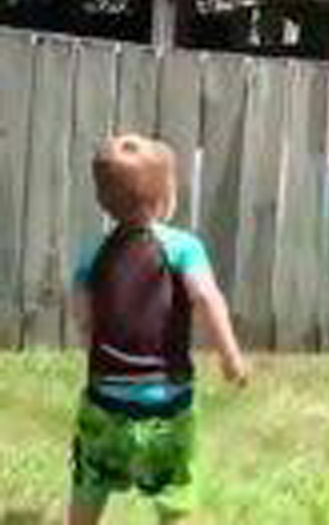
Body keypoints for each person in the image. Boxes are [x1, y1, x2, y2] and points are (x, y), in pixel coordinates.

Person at [66, 133, 249, 524]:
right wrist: (231, 356)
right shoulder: (184, 247)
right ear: (166, 199)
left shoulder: (92, 251)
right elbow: (206, 298)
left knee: (89, 484)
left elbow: (82, 314)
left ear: (104, 201)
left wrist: (92, 345)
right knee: (175, 494)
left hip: (104, 401)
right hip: (166, 404)